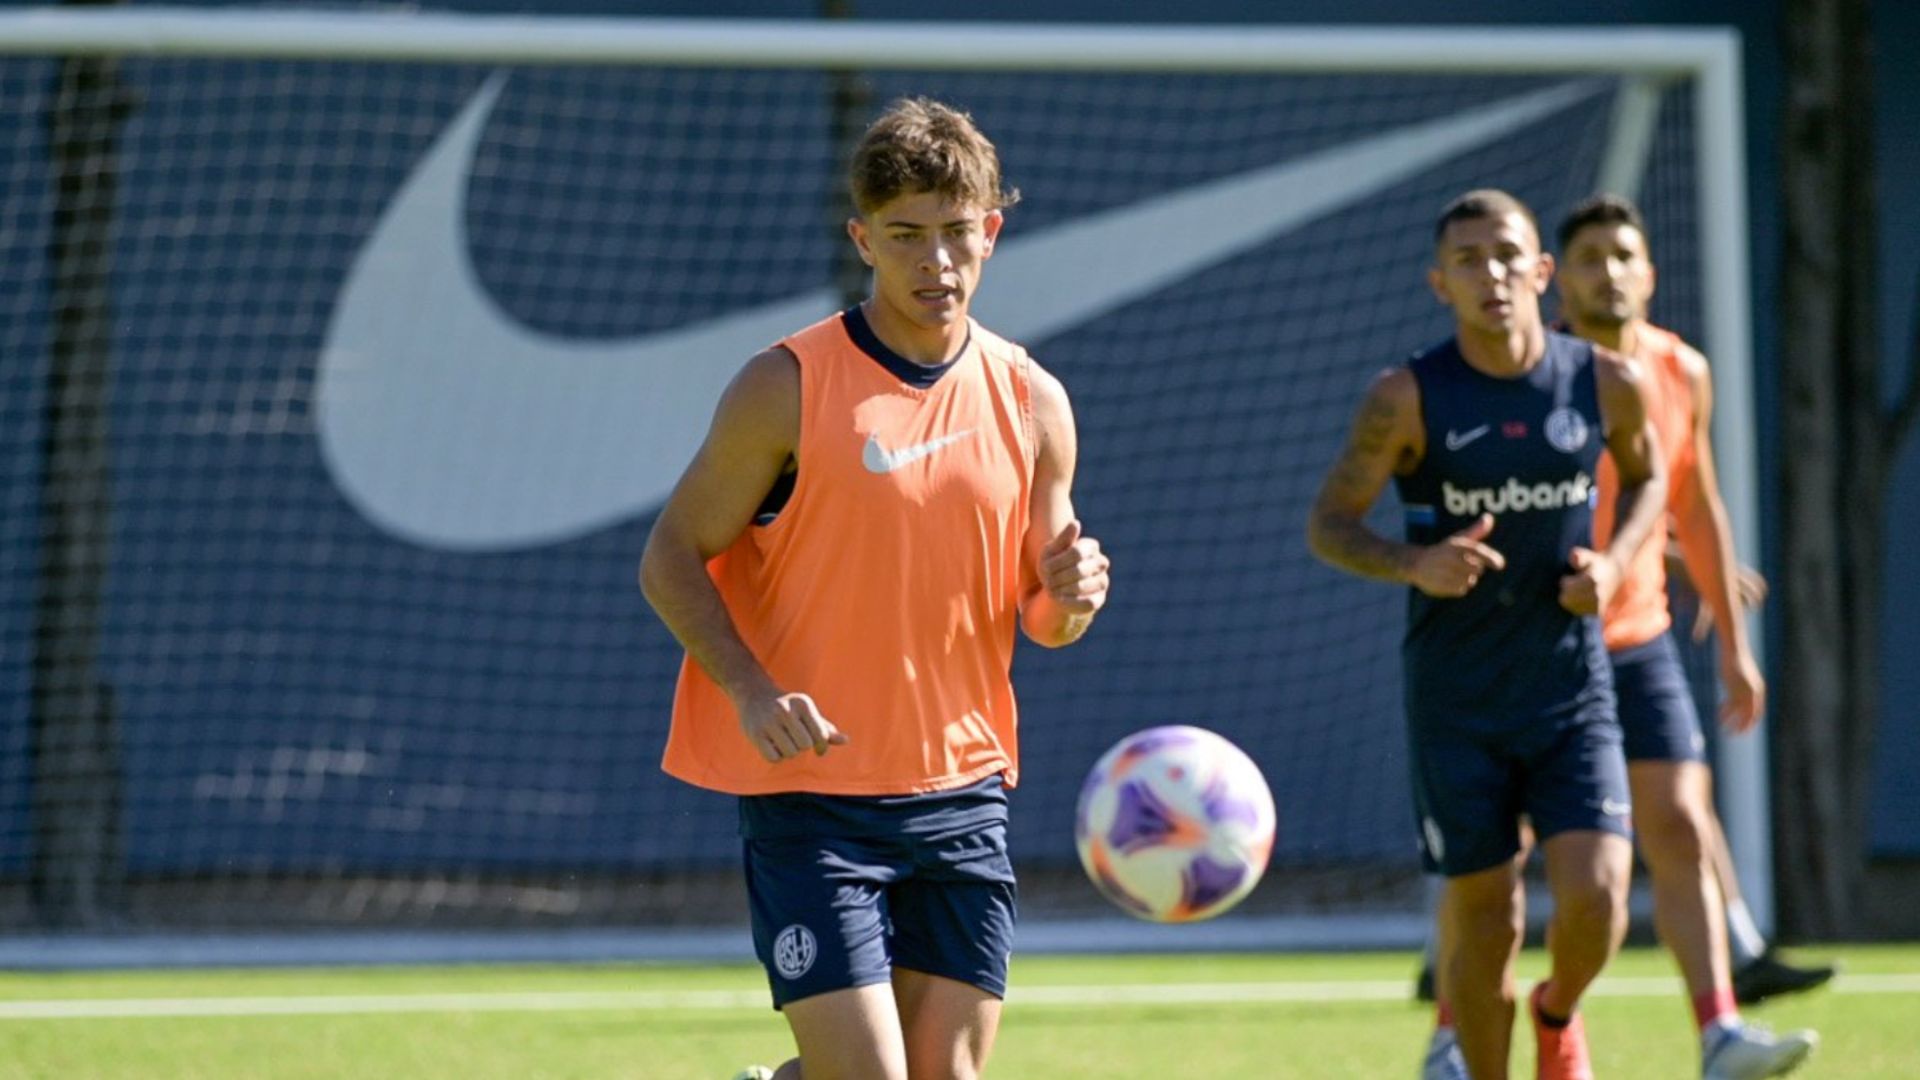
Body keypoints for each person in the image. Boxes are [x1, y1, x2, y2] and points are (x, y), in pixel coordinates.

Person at [640, 97, 1111, 1080]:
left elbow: (1046, 619)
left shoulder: (1033, 399)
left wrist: (1073, 593)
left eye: (954, 234)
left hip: (963, 792)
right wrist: (752, 690)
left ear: (992, 228)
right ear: (862, 238)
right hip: (814, 797)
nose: (936, 263)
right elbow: (670, 556)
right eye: (905, 237)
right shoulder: (786, 385)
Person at [1307, 189, 1666, 1080]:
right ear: (1441, 283)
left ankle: (1558, 1014)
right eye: (1468, 260)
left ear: (1543, 273)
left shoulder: (1604, 380)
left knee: (1599, 896)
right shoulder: (1405, 397)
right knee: (1486, 918)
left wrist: (1616, 566)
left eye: (1508, 254)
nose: (1491, 274)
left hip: (1568, 688)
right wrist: (1413, 564)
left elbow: (1652, 479)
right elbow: (1330, 524)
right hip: (1455, 701)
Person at [1555, 193, 1817, 1077]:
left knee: (1676, 817)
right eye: (1591, 256)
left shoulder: (1681, 370)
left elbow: (1692, 497)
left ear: (1651, 272)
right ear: (1561, 278)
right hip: (1537, 642)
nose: (1611, 271)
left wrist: (1736, 643)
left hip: (1640, 637)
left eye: (1625, 254)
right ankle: (1477, 1028)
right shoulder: (1536, 370)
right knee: (1516, 856)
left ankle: (1720, 1031)